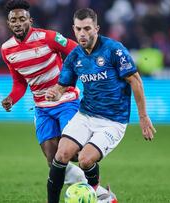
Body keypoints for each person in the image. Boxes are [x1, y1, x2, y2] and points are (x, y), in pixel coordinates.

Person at [45, 8, 156, 203]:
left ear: (96, 28)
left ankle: (100, 195)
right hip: (85, 115)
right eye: (78, 29)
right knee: (60, 154)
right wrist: (55, 92)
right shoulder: (74, 57)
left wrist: (143, 117)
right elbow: (63, 85)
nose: (82, 33)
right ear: (73, 29)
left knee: (85, 159)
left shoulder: (114, 50)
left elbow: (136, 81)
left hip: (113, 121)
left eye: (87, 28)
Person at [0, 0, 88, 190]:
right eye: (13, 20)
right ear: (8, 24)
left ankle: (94, 186)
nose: (17, 23)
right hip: (42, 108)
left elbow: (76, 51)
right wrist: (11, 98)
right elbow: (20, 82)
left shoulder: (49, 37)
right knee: (52, 160)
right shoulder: (6, 50)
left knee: (73, 153)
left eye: (22, 19)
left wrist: (68, 81)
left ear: (30, 20)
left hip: (66, 101)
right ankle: (91, 189)